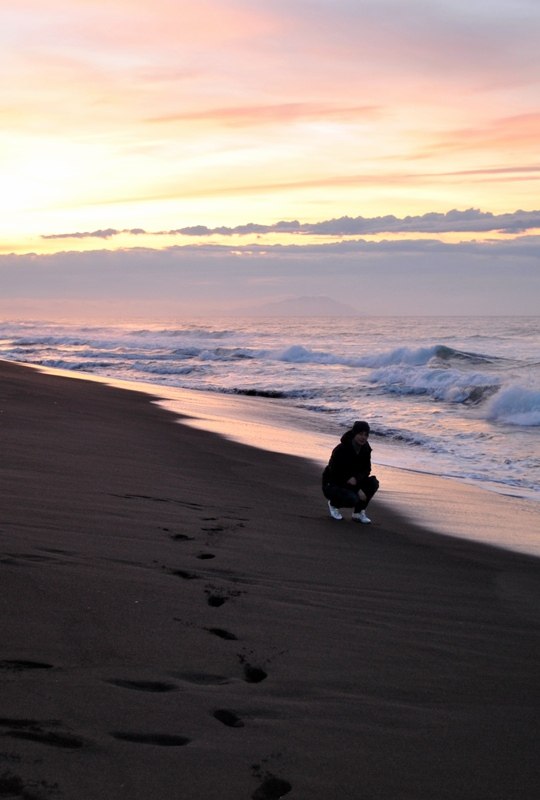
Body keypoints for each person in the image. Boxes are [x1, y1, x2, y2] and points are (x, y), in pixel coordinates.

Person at [322, 420, 379, 523]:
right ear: (354, 433)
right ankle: (333, 505)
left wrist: (356, 479)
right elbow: (334, 472)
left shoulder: (366, 449)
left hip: (353, 482)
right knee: (352, 499)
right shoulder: (341, 449)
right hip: (333, 483)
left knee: (373, 483)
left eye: (366, 435)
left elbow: (367, 469)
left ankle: (358, 513)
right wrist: (357, 489)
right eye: (360, 434)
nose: (363, 437)